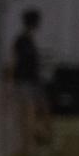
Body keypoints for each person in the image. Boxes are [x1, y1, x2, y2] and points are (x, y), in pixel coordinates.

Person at [13, 9, 51, 148]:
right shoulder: (22, 41)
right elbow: (15, 62)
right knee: (29, 112)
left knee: (40, 110)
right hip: (25, 81)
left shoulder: (27, 40)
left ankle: (40, 139)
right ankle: (30, 143)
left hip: (33, 81)